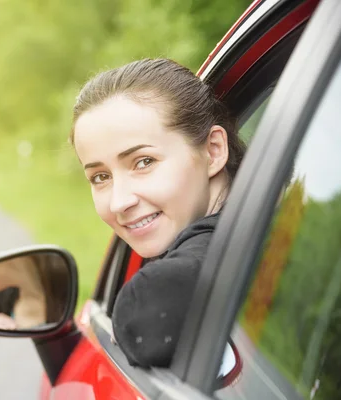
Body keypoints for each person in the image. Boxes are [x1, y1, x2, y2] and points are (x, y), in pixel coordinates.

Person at [70, 58, 246, 368]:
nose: (118, 202)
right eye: (101, 177)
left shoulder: (223, 251)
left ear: (214, 150)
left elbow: (148, 322)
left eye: (144, 162)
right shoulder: (266, 220)